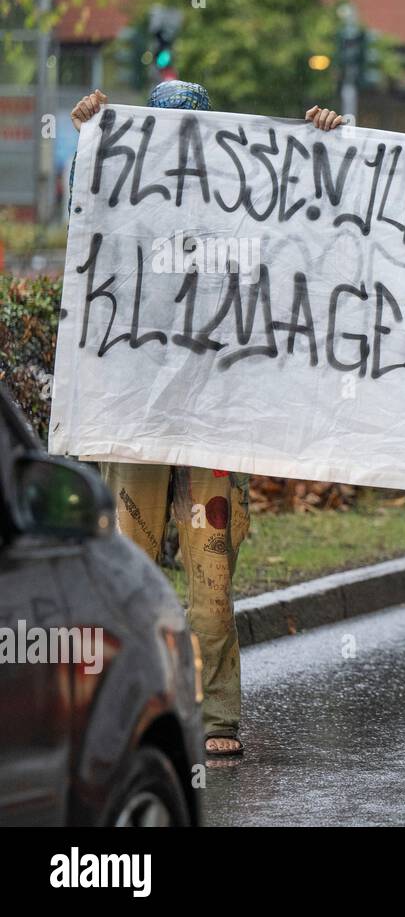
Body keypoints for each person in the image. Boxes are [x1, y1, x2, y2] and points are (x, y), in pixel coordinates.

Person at [70, 82, 252, 759]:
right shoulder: (123, 196)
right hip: (137, 417)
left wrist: (325, 135)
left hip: (210, 424)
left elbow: (304, 238)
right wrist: (92, 140)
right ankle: (118, 712)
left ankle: (216, 717)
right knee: (128, 568)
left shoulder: (238, 211)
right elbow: (84, 222)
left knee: (211, 576)